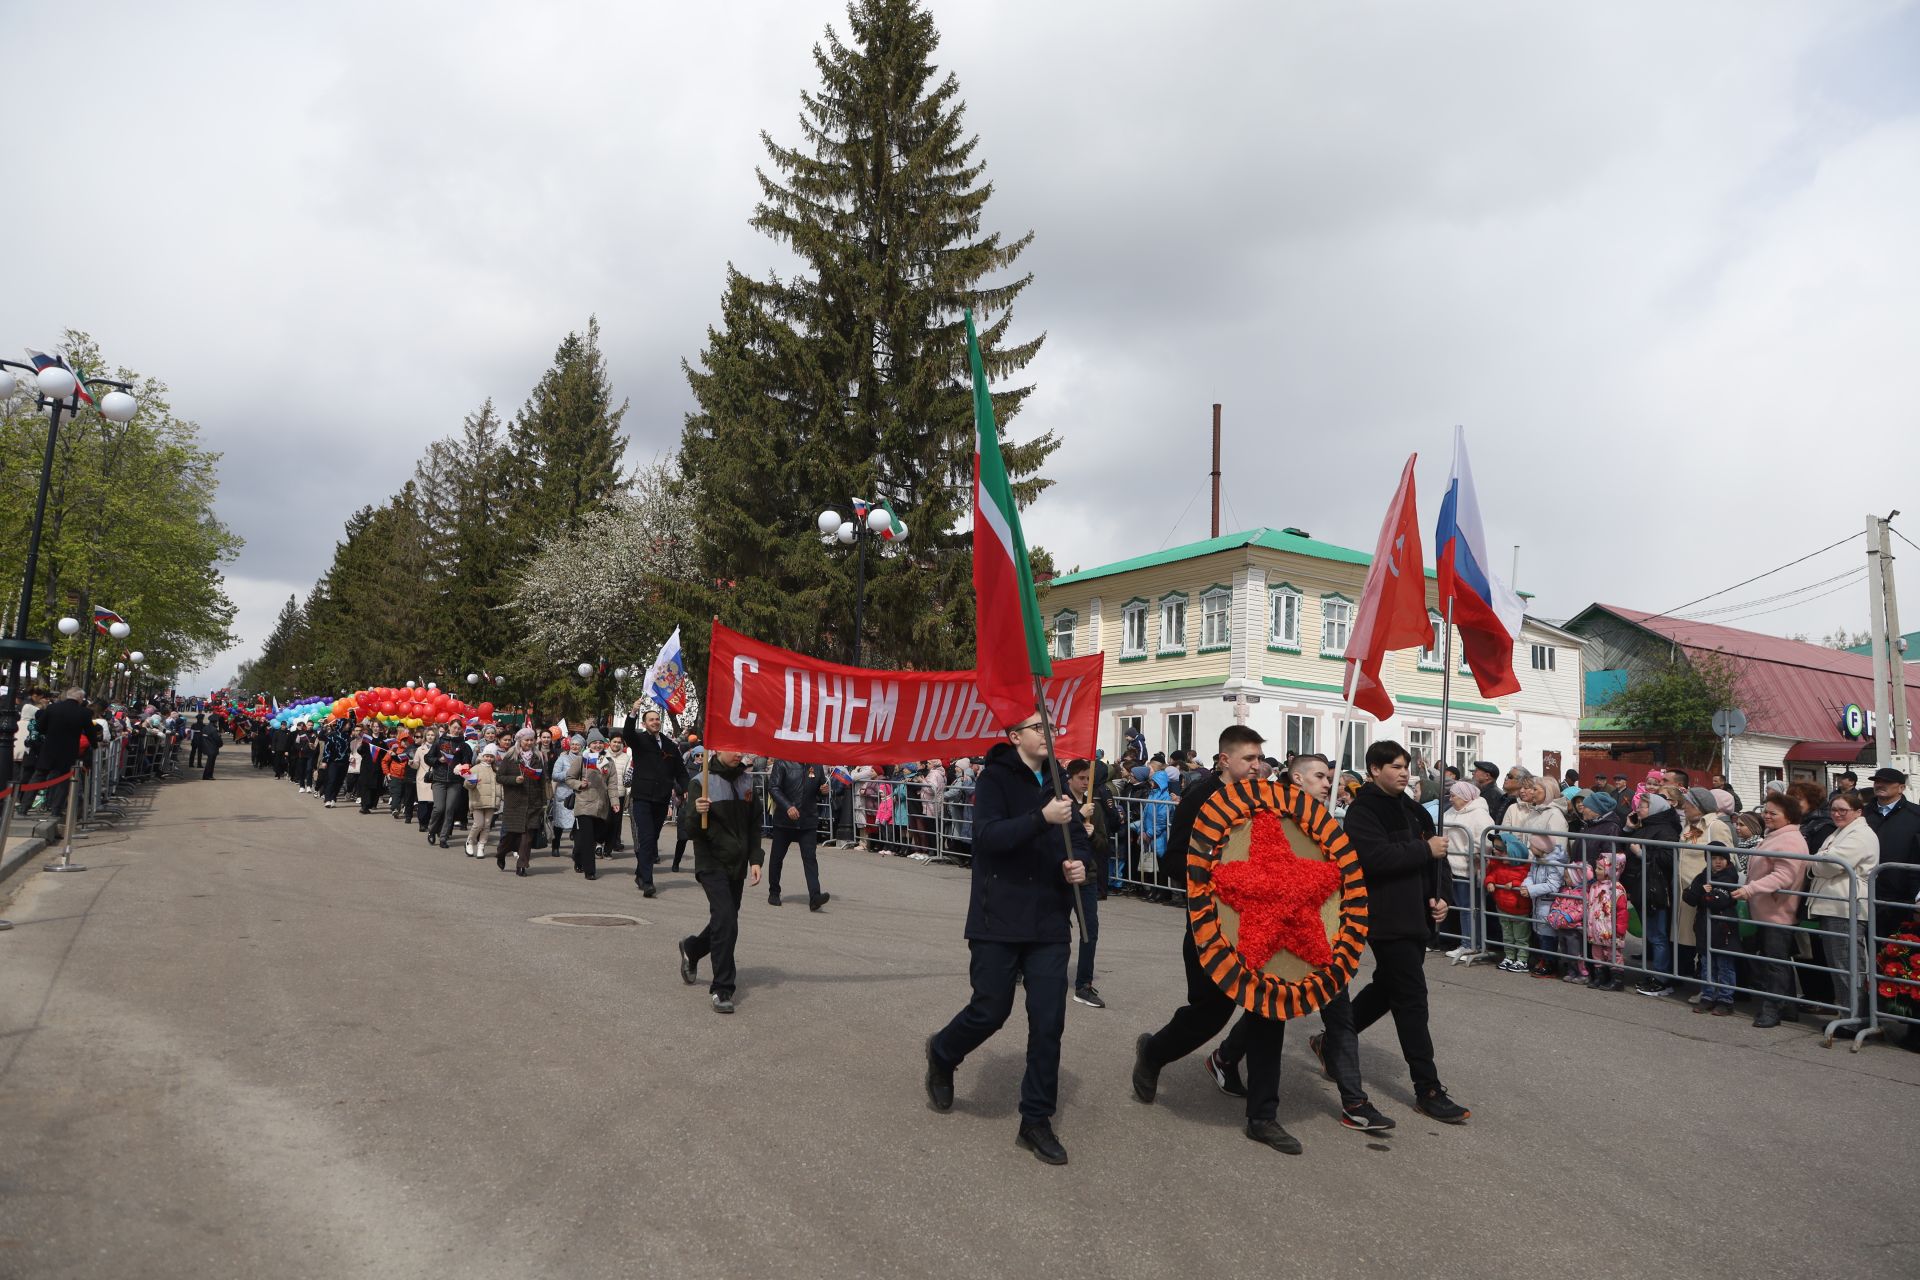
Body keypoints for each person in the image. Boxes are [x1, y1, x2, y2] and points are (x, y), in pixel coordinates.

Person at [1131, 725, 1310, 1153]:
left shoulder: (1268, 799)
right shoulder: (1200, 797)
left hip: (1265, 922)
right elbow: (1172, 857)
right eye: (1249, 759)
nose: (1258, 766)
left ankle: (1263, 1116)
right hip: (1213, 924)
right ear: (1224, 760)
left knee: (1271, 1009)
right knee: (1210, 1012)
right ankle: (1154, 1053)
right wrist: (1216, 874)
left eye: (1260, 759)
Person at [925, 709, 1089, 1166]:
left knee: (1049, 1022)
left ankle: (1035, 1120)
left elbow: (1076, 842)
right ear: (1016, 736)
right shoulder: (995, 778)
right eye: (1040, 728)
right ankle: (942, 1051)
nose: (1049, 734)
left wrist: (1079, 867)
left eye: (1051, 728)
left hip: (1049, 924)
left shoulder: (1060, 782)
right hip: (998, 917)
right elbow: (987, 838)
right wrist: (1041, 818)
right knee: (990, 1010)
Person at [1204, 750, 1394, 1133]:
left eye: (1330, 777)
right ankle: (1226, 1057)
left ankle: (1355, 1101)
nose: (1329, 783)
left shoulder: (1327, 827)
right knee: (1266, 1009)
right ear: (1297, 781)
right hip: (1270, 931)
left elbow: (1338, 880)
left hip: (1318, 937)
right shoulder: (1267, 818)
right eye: (1321, 776)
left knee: (1338, 1015)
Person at [1342, 740, 1469, 1123]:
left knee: (1389, 988)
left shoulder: (1415, 811)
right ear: (1374, 770)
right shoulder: (1362, 812)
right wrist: (1422, 851)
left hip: (1419, 915)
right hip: (1385, 917)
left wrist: (1442, 896)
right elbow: (1372, 859)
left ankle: (1331, 1039)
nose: (1403, 772)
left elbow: (1439, 859)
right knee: (1412, 998)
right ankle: (1427, 1088)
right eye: (1394, 766)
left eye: (1406, 766)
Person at [677, 750, 764, 1015]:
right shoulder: (701, 782)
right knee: (726, 919)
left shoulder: (747, 782)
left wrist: (755, 859)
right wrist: (696, 811)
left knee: (725, 920)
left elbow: (754, 825)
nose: (739, 754)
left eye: (742, 749)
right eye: (733, 749)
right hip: (711, 862)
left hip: (736, 864)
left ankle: (692, 948)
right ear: (718, 749)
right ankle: (722, 988)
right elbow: (690, 830)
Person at [1731, 791, 1809, 1027]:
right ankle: (1788, 1006)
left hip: (1778, 911)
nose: (1767, 816)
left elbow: (1783, 876)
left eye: (1773, 813)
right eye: (1766, 811)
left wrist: (1751, 889)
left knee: (1775, 962)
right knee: (1777, 960)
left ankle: (1772, 1009)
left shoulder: (1789, 840)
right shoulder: (1776, 835)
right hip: (1769, 909)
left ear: (1789, 816)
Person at [1807, 790, 1877, 1015]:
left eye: (1842, 810)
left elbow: (1832, 863)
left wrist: (1817, 863)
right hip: (1835, 902)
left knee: (1847, 964)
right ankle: (1848, 1012)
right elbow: (1823, 862)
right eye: (1834, 810)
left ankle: (1855, 1015)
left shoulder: (1860, 834)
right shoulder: (1842, 832)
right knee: (1840, 964)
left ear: (1858, 812)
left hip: (1847, 906)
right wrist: (1820, 862)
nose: (1837, 814)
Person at [621, 707, 688, 898]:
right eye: (651, 719)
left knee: (652, 838)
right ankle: (648, 882)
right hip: (642, 798)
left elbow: (681, 772)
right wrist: (632, 712)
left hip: (661, 798)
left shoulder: (670, 745)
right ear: (644, 723)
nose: (655, 722)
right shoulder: (640, 740)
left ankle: (640, 873)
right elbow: (627, 734)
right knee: (647, 838)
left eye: (657, 719)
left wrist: (686, 789)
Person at [1064, 758, 1105, 1008]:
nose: (1084, 783)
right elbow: (1055, 836)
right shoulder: (1061, 802)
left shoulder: (1094, 806)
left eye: (1087, 779)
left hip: (1087, 876)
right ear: (1070, 778)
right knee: (1050, 926)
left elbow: (1103, 843)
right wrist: (1078, 820)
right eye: (1081, 778)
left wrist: (1093, 834)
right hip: (1062, 874)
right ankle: (1025, 966)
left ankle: (1084, 984)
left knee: (1090, 929)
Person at [1682, 844, 1742, 1015]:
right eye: (1713, 858)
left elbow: (1719, 900)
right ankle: (1708, 996)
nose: (1717, 862)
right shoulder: (1703, 876)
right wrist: (1702, 892)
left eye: (1721, 858)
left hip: (1724, 931)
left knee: (1725, 966)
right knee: (1707, 965)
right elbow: (1688, 897)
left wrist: (1702, 896)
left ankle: (1725, 999)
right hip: (1705, 928)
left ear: (1727, 860)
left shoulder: (1730, 877)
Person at [767, 758, 830, 910]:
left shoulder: (816, 764)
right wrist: (788, 806)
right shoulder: (782, 762)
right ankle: (774, 892)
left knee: (810, 859)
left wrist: (823, 791)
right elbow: (774, 787)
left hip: (807, 820)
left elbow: (820, 790)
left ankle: (815, 897)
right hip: (784, 821)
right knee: (777, 858)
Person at [1442, 781, 1494, 961]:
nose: (1451, 798)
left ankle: (1472, 945)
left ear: (1465, 797)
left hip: (1470, 868)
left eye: (1454, 795)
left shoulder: (1479, 815)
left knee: (1470, 908)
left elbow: (1486, 840)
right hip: (1452, 866)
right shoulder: (1450, 812)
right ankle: (1466, 943)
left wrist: (1473, 853)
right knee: (1462, 907)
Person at [1863, 767, 1920, 931]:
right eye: (1877, 781)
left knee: (1899, 949)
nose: (1880, 785)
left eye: (1886, 782)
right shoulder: (1863, 814)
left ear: (1901, 787)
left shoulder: (1915, 815)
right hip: (1866, 893)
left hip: (1903, 895)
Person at [570, 749, 611, 879]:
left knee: (596, 835)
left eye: (600, 742)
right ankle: (590, 871)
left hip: (601, 804)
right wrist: (579, 784)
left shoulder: (608, 761)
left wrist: (615, 801)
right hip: (584, 804)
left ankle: (578, 854)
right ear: (589, 744)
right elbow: (569, 778)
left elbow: (613, 784)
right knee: (587, 837)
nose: (597, 745)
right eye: (594, 742)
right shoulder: (581, 759)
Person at [196, 714, 222, 780]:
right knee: (211, 763)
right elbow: (218, 739)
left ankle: (207, 775)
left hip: (206, 747)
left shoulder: (205, 728)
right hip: (212, 747)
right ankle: (208, 775)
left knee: (209, 762)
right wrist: (220, 744)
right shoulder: (214, 730)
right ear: (215, 722)